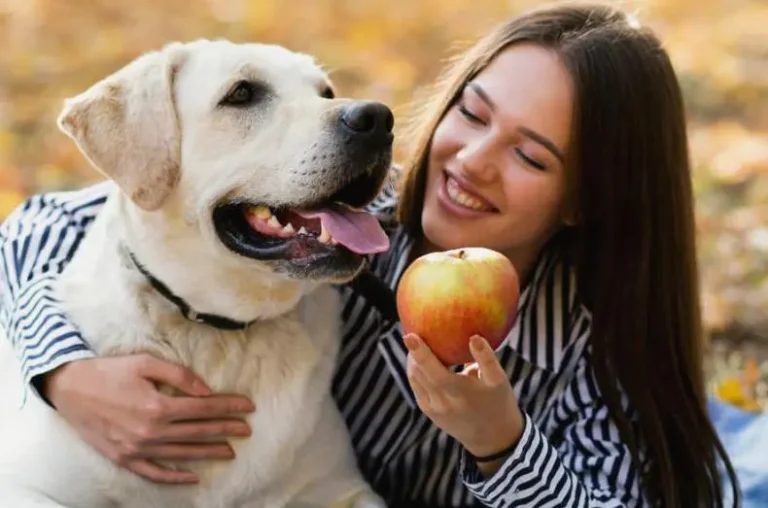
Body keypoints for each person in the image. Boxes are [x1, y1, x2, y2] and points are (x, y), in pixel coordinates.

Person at [0, 3, 740, 507]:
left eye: (531, 156)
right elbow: (41, 227)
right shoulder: (361, 225)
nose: (472, 162)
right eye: (472, 113)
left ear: (587, 200)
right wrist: (60, 367)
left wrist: (502, 443)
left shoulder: (594, 350)